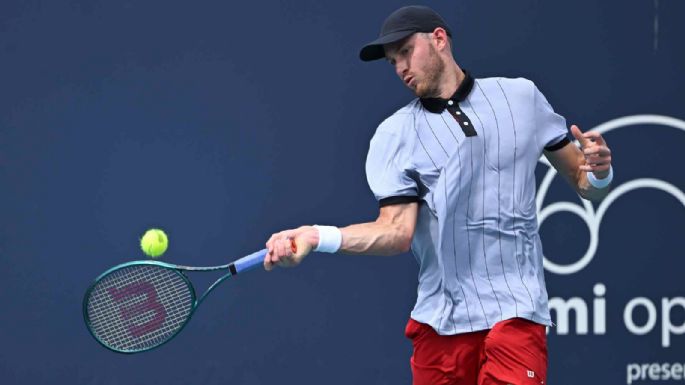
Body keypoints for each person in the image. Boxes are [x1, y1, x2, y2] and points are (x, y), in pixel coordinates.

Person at [263, 5, 613, 385]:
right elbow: (396, 232)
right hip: (441, 322)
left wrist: (599, 174)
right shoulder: (395, 135)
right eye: (393, 61)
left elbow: (582, 179)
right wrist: (318, 236)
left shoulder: (522, 98)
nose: (400, 68)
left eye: (405, 52)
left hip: (517, 312)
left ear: (439, 39)